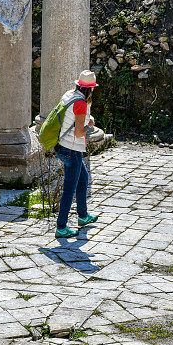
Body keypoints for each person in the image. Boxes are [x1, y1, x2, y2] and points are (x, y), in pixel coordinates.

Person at [53, 70, 100, 239]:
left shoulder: (70, 95)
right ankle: (61, 227)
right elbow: (80, 133)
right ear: (91, 88)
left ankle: (83, 216)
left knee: (83, 178)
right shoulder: (80, 103)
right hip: (71, 149)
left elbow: (73, 118)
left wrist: (86, 119)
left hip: (64, 146)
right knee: (69, 188)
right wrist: (90, 125)